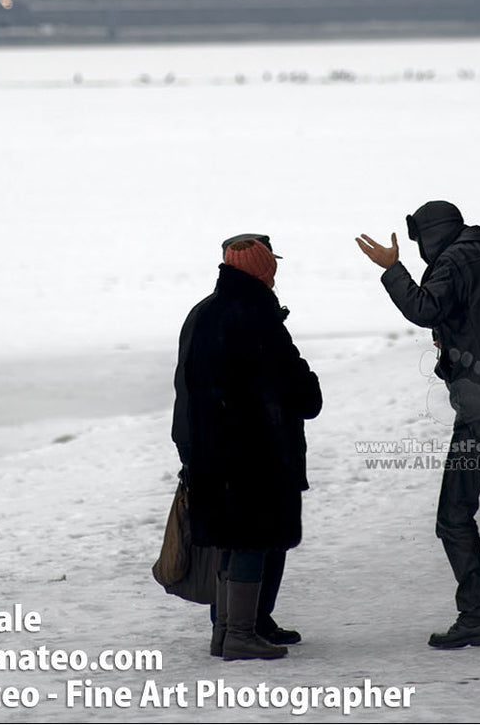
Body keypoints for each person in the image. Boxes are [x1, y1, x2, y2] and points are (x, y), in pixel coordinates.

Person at [357, 200, 480, 650]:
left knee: (453, 515)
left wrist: (392, 269)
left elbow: (424, 308)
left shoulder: (453, 263)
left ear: (430, 235)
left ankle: (475, 617)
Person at [171, 232, 322, 661]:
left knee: (231, 538)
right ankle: (241, 633)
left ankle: (229, 631)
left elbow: (186, 386)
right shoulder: (257, 315)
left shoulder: (204, 313)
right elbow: (297, 388)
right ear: (263, 268)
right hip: (256, 452)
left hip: (213, 449)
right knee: (254, 538)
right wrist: (308, 388)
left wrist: (189, 446)